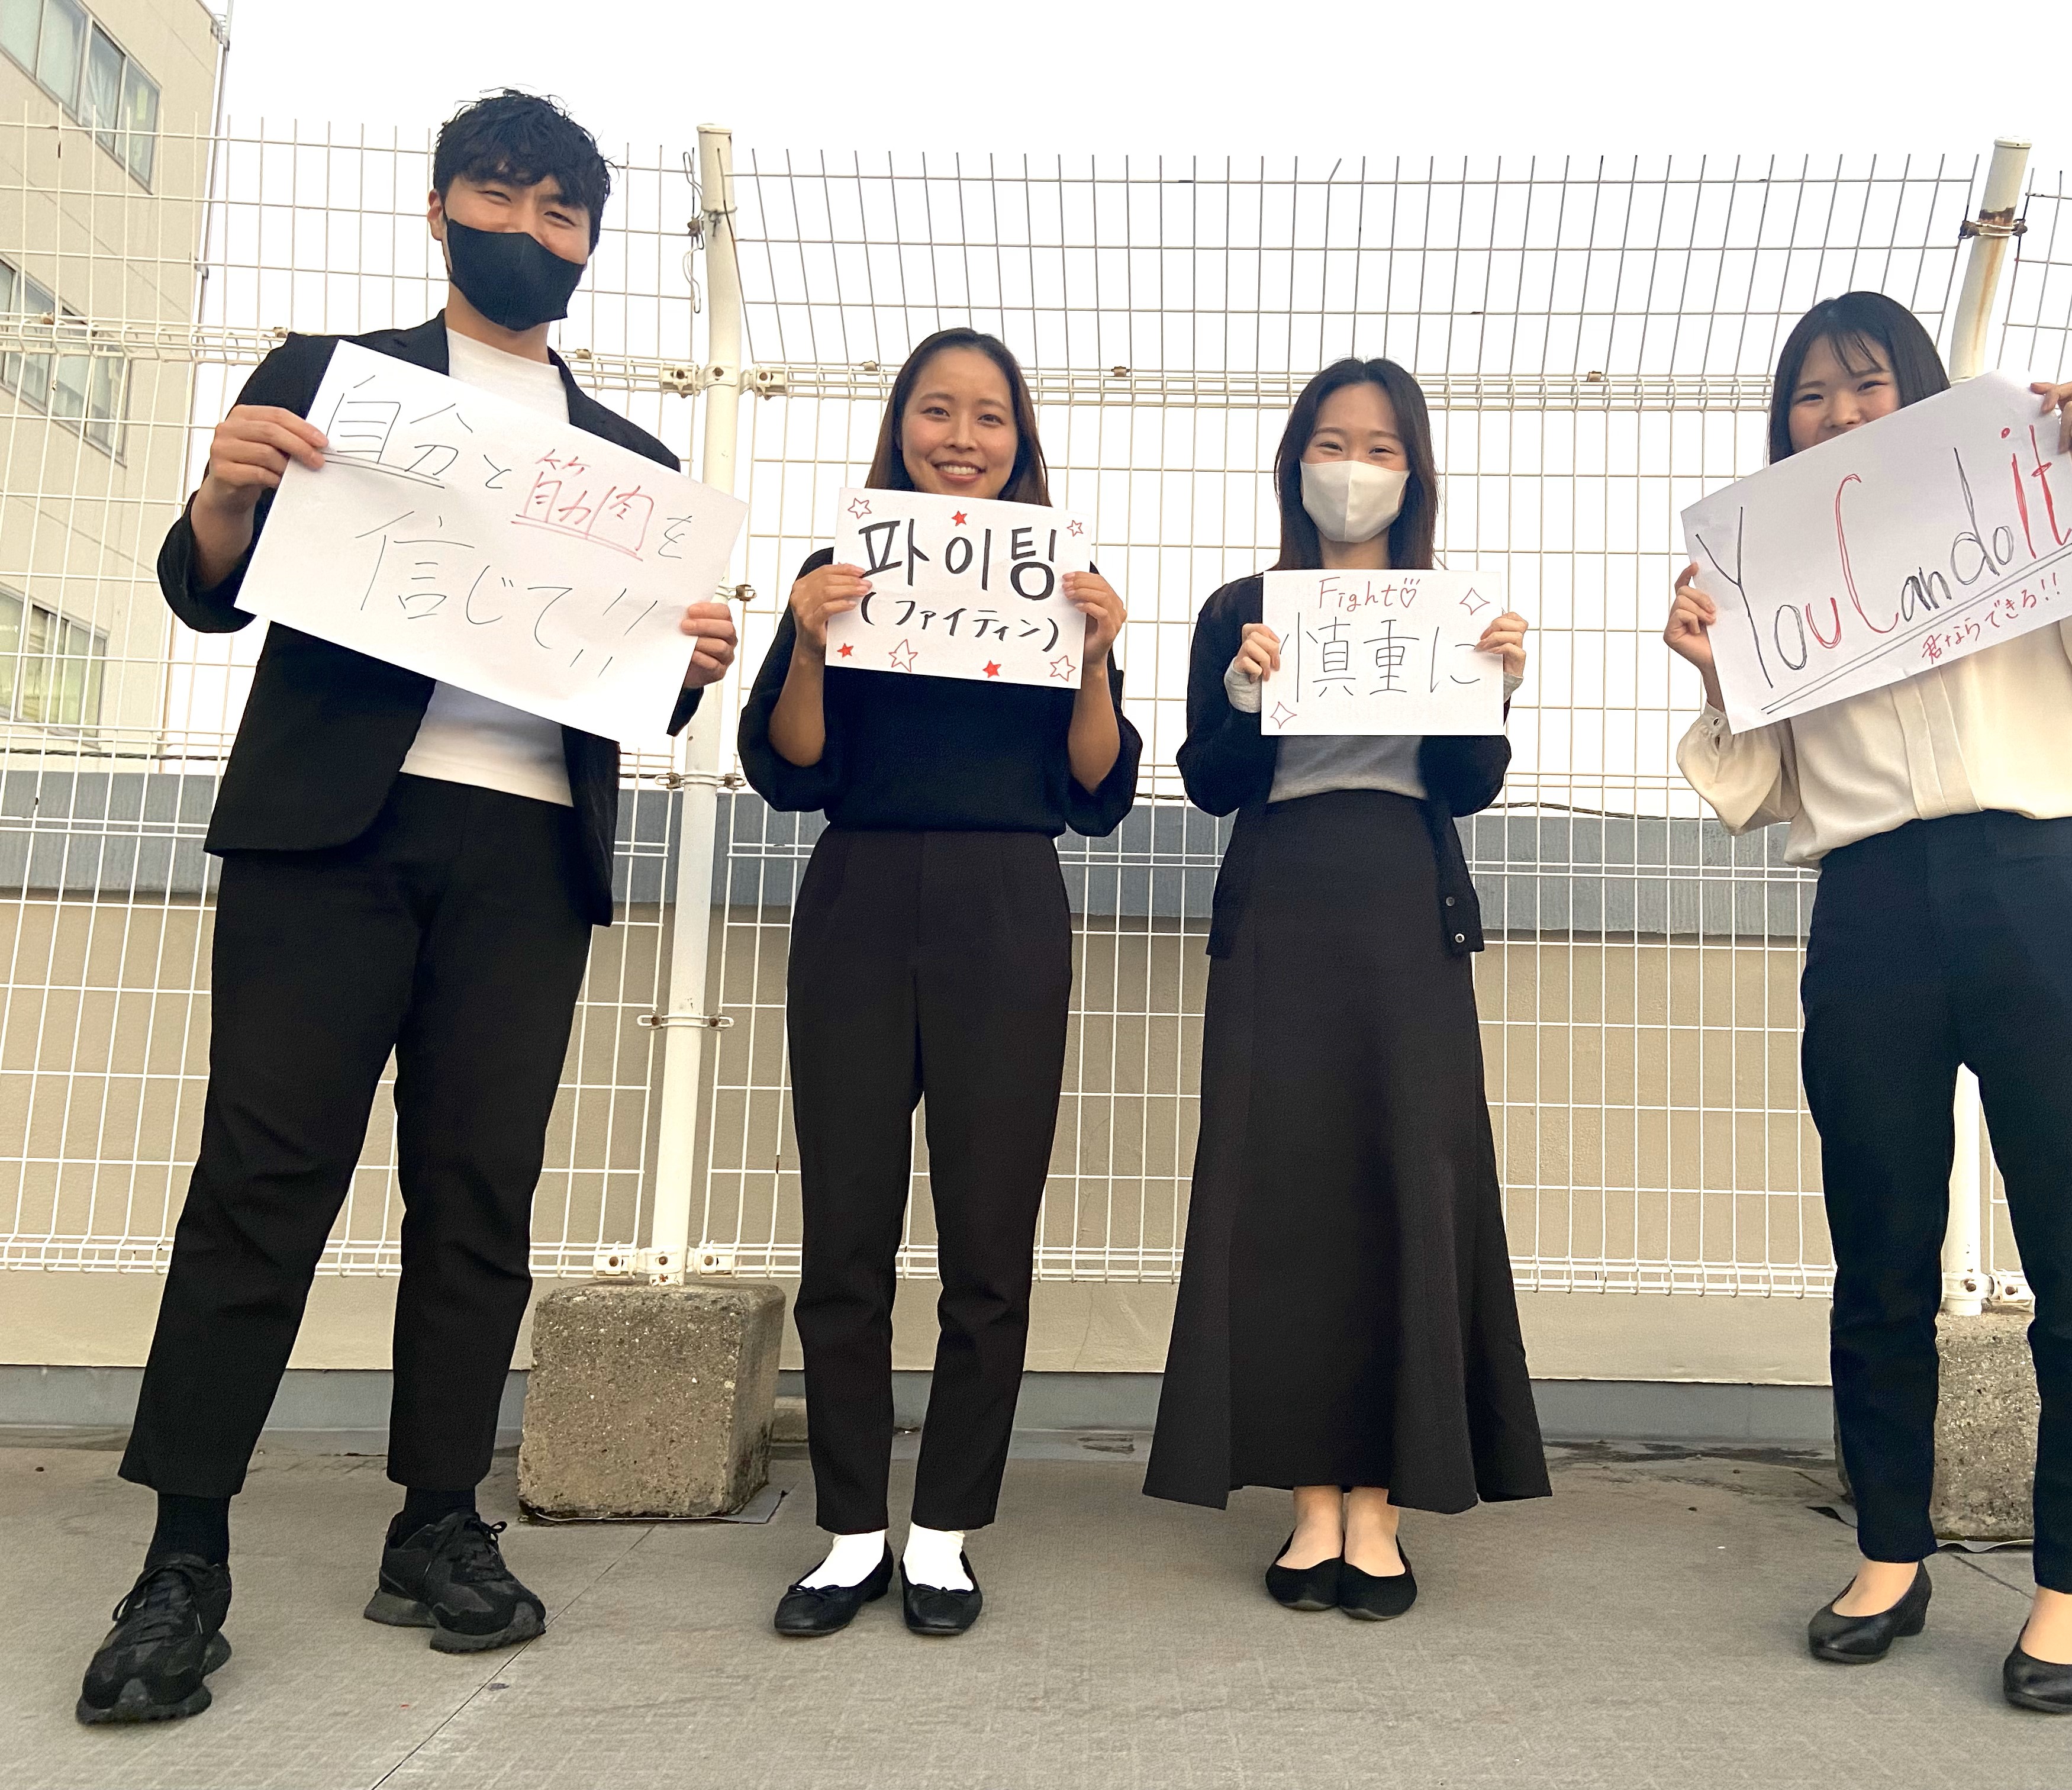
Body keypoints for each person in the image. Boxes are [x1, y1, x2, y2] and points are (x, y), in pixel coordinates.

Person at [73, 92, 742, 1726]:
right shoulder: (328, 383)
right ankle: (183, 1556)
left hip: (527, 854)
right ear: (440, 209)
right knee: (262, 1180)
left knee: (478, 1194)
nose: (531, 230)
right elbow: (207, 591)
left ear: (592, 242)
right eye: (501, 197)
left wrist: (691, 663)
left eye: (564, 212)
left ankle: (437, 1519)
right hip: (328, 838)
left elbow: (630, 694)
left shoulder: (637, 465)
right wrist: (224, 496)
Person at [1665, 292, 2072, 1712]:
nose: (1839, 414)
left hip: (2040, 881)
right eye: (1811, 395)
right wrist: (1720, 676)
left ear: (1924, 394)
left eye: (1868, 385)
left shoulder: (2021, 507)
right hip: (1872, 906)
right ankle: (1890, 1555)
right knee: (1879, 1250)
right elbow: (1753, 791)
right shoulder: (1772, 575)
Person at [739, 327, 1140, 1638]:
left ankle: (947, 1530)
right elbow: (793, 767)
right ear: (899, 425)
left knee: (988, 1237)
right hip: (857, 893)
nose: (963, 438)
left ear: (1022, 440)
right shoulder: (840, 574)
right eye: (937, 410)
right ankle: (851, 1529)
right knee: (845, 1230)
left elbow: (1095, 788)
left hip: (1007, 901)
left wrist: (1094, 655)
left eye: (989, 416)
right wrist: (809, 642)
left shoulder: (1059, 585)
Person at [1142, 357, 1550, 1621]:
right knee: (1285, 1194)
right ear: (1295, 462)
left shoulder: (1451, 606)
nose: (1354, 467)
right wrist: (1241, 694)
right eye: (1331, 442)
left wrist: (1495, 688)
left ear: (1413, 472)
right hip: (1281, 905)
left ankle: (1381, 1500)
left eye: (1380, 447)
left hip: (1405, 907)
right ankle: (1310, 1498)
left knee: (1406, 1179)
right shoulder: (1241, 606)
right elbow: (1210, 782)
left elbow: (1466, 787)